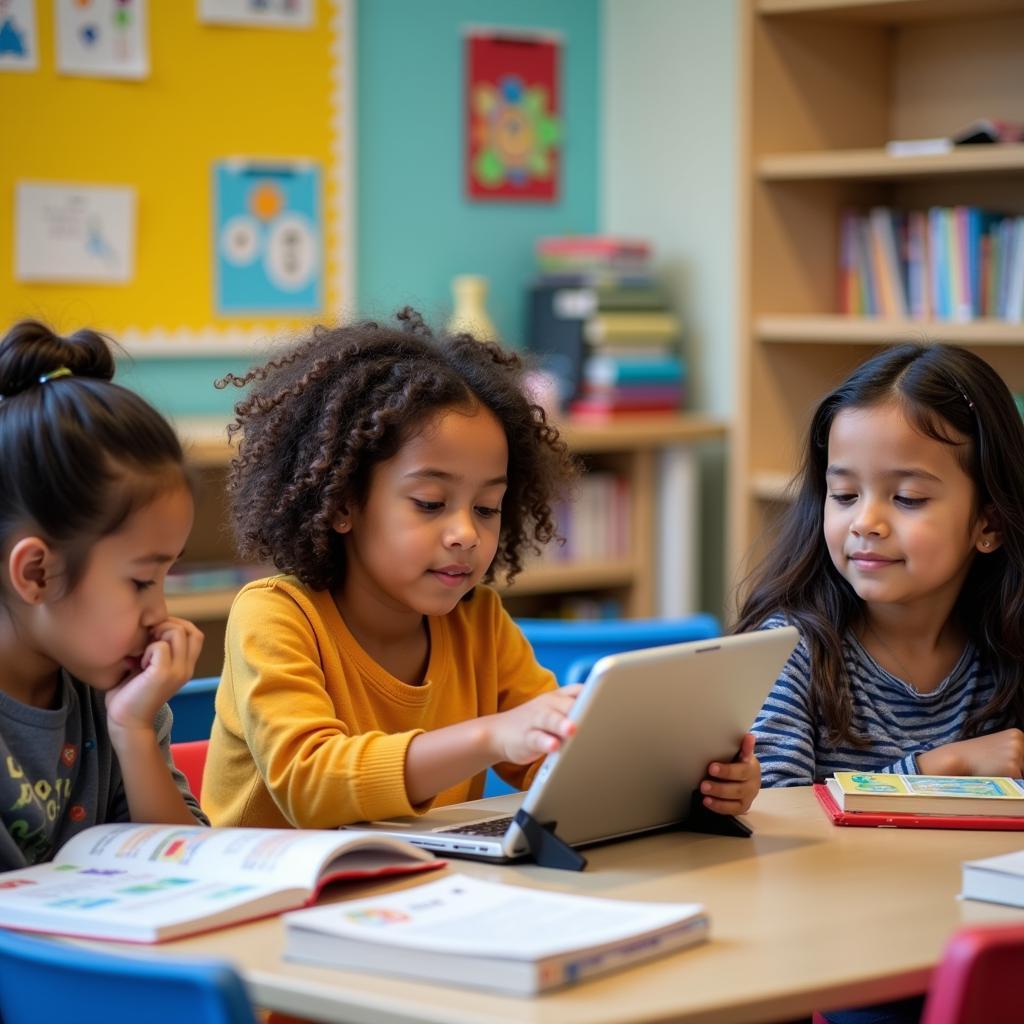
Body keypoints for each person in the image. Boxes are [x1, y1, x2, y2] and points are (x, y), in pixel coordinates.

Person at [203, 308, 761, 829]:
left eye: (487, 509)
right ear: (343, 503)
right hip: (264, 911)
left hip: (416, 896)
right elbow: (309, 783)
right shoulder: (275, 615)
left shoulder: (478, 623)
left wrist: (696, 785)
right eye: (429, 503)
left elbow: (557, 768)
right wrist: (491, 736)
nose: (466, 533)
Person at [738, 343, 1024, 1024]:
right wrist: (934, 769)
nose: (866, 521)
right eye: (844, 494)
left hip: (969, 939)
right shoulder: (791, 647)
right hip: (840, 960)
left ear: (987, 523)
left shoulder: (1004, 646)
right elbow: (771, 823)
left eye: (907, 497)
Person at [0, 320, 208, 872]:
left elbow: (192, 868)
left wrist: (133, 733)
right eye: (142, 581)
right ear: (37, 573)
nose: (159, 613)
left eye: (166, 579)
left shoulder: (112, 693)